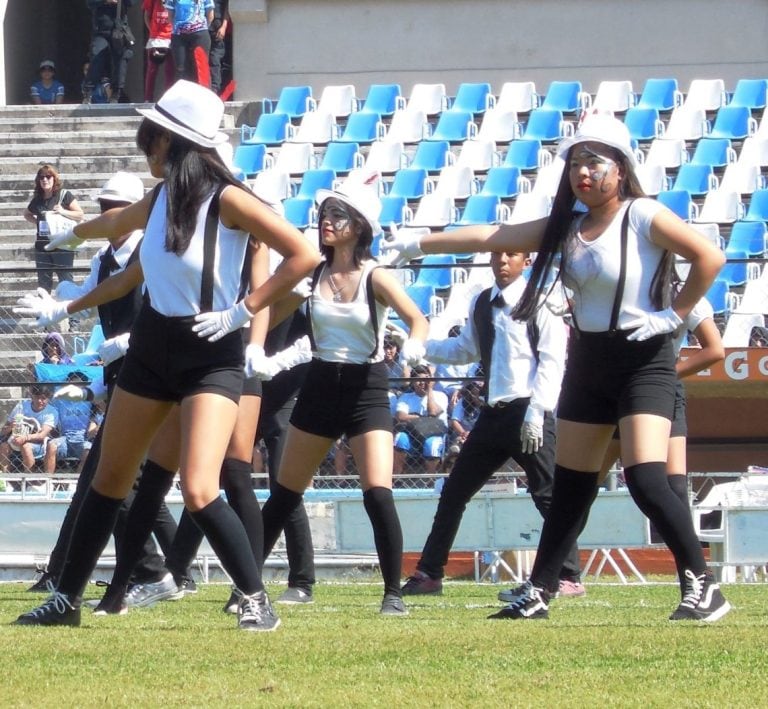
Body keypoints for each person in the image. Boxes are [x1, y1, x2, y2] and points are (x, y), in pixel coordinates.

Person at [383, 114, 730, 622]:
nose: (583, 173)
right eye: (575, 163)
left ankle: (703, 586)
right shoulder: (567, 227)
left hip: (643, 359)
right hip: (588, 360)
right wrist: (418, 244)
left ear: (621, 167)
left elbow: (710, 257)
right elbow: (492, 235)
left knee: (648, 480)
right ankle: (541, 589)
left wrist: (671, 317)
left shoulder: (642, 214)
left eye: (595, 161)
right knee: (570, 485)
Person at [12, 80, 320, 631]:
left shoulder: (228, 199)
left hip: (211, 352)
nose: (145, 148)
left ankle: (256, 599)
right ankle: (66, 601)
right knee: (110, 475)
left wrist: (241, 312)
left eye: (151, 138)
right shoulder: (160, 200)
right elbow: (112, 224)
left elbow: (304, 254)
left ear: (174, 142)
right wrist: (67, 232)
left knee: (202, 486)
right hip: (154, 345)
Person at [257, 173, 429, 616]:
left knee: (377, 492)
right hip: (319, 385)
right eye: (324, 215)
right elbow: (266, 310)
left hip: (366, 390)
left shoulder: (377, 277)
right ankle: (247, 584)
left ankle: (393, 592)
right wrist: (252, 344)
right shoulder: (311, 275)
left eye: (336, 215)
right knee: (284, 493)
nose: (326, 222)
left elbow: (418, 320)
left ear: (358, 224)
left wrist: (413, 345)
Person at [21, 171, 182, 599]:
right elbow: (91, 294)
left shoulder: (150, 254)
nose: (109, 214)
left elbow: (162, 313)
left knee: (112, 481)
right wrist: (57, 305)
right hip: (122, 379)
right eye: (104, 207)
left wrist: (124, 342)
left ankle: (153, 572)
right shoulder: (103, 260)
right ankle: (163, 570)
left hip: (151, 376)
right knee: (116, 482)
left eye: (116, 207)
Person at [402, 250, 584, 599]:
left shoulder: (539, 302)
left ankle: (569, 576)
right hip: (493, 413)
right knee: (454, 492)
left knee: (548, 496)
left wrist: (538, 409)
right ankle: (430, 573)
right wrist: (422, 349)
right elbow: (464, 350)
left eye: (511, 254)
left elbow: (552, 359)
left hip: (529, 410)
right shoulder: (483, 302)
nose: (502, 261)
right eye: (498, 254)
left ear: (527, 261)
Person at [598, 291, 725, 586]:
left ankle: (696, 583)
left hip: (658, 395)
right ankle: (557, 577)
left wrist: (664, 377)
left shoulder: (684, 295)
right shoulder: (618, 287)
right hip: (609, 392)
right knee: (578, 488)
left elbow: (714, 349)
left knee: (672, 487)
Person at [23, 165, 84, 293]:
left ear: (54, 178)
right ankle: (43, 313)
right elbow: (26, 214)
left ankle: (68, 311)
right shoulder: (38, 199)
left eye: (48, 176)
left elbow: (80, 214)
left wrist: (63, 211)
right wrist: (38, 222)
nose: (45, 180)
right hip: (42, 246)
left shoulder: (64, 195)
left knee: (66, 281)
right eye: (41, 177)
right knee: (43, 284)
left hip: (62, 246)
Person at [393, 365, 449, 479]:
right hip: (412, 434)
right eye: (418, 380)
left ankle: (431, 478)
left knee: (431, 444)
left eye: (425, 380)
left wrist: (429, 391)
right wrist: (423, 417)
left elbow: (433, 412)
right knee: (400, 438)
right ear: (413, 382)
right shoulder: (406, 397)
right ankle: (397, 476)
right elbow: (400, 416)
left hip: (434, 433)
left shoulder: (441, 396)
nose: (422, 383)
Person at [83, 0, 137, 104]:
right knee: (96, 56)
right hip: (100, 31)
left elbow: (131, 3)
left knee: (122, 59)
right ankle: (88, 92)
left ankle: (116, 93)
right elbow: (90, 3)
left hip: (119, 31)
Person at [0, 384, 58, 480]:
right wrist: (11, 426)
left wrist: (25, 438)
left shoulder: (51, 412)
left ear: (48, 398)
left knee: (25, 446)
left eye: (43, 398)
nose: (40, 401)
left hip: (38, 444)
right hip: (15, 440)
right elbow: (3, 431)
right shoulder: (21, 406)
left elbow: (42, 435)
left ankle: (29, 480)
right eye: (37, 397)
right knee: (3, 447)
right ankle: (5, 479)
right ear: (32, 396)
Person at [165, 0, 214, 87]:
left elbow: (210, 15)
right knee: (181, 68)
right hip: (179, 34)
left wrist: (201, 26)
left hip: (200, 32)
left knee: (201, 67)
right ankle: (183, 97)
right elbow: (170, 16)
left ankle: (204, 95)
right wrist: (178, 27)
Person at [143, 0, 175, 101]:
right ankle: (148, 98)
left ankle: (168, 99)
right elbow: (146, 16)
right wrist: (152, 31)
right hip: (156, 38)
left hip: (171, 36)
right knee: (152, 69)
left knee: (170, 70)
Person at [208, 0, 229, 96]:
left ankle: (215, 88)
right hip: (200, 28)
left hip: (217, 28)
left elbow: (227, 7)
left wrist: (224, 27)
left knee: (215, 59)